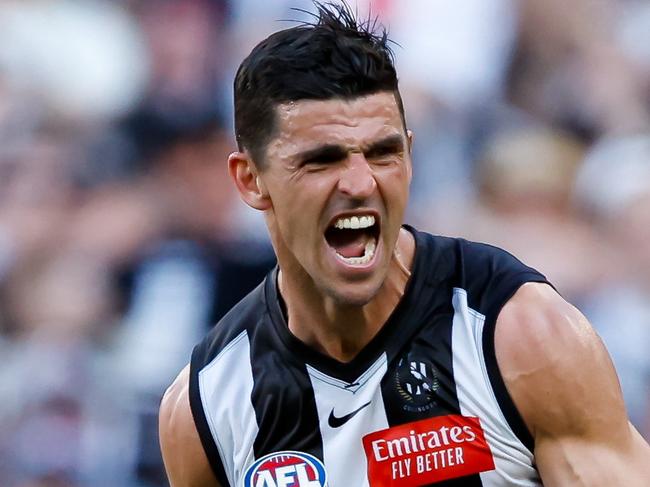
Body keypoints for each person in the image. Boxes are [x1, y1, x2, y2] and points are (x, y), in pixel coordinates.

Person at [158, 3, 650, 486]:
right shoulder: (208, 403)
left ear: (410, 156)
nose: (360, 182)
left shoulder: (519, 335)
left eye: (383, 153)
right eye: (323, 160)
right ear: (250, 180)